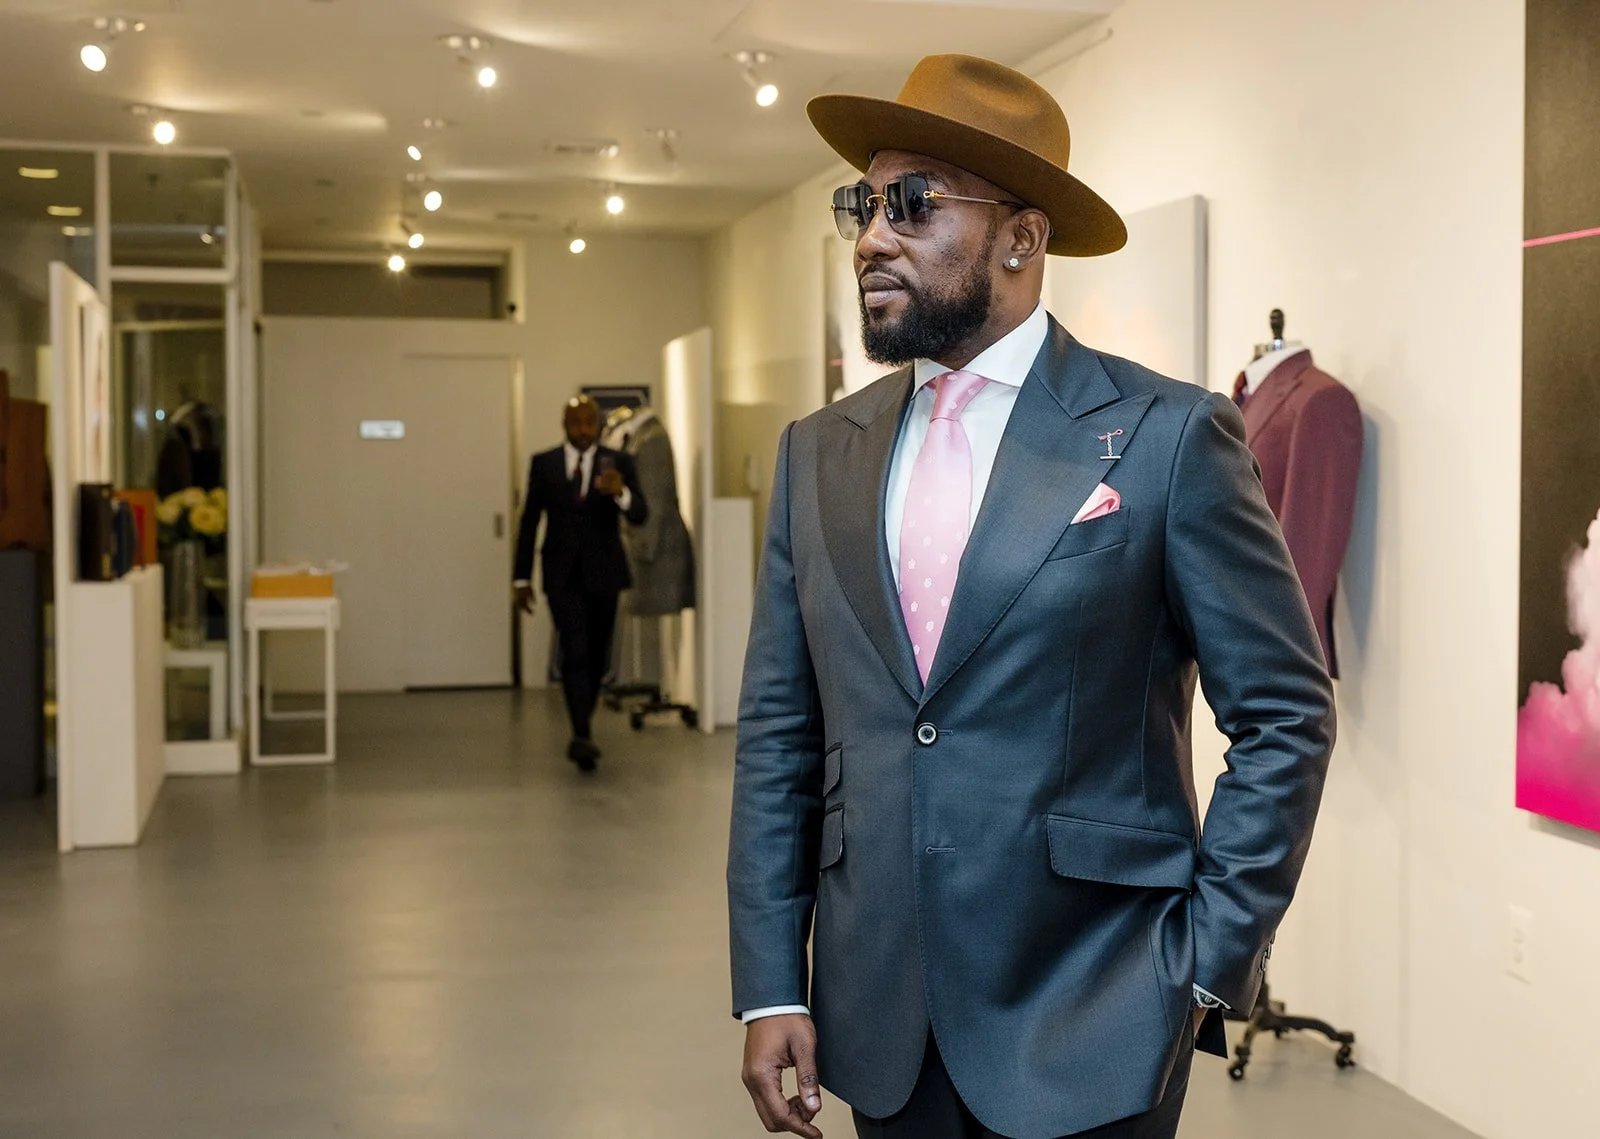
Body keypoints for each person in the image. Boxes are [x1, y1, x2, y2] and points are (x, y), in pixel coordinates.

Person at [727, 55, 1336, 1139]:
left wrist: (1207, 961)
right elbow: (782, 734)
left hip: (1099, 1010)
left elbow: (1284, 712)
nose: (871, 237)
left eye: (913, 202)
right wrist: (771, 980)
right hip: (882, 1015)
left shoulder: (1166, 436)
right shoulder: (817, 453)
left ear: (1020, 238)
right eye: (863, 205)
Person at [514, 395, 647, 772]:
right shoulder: (544, 464)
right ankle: (582, 733)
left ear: (598, 425)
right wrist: (521, 578)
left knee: (598, 656)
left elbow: (640, 513)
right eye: (576, 423)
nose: (583, 430)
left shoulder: (619, 462)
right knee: (575, 650)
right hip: (561, 576)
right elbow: (529, 522)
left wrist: (620, 493)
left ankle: (582, 727)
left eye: (589, 422)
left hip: (605, 575)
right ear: (564, 425)